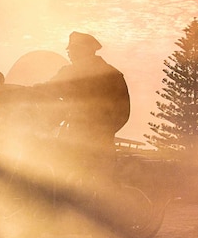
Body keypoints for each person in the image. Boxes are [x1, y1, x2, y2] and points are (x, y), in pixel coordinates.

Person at [34, 32, 130, 196]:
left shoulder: (108, 75)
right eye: (69, 50)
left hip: (91, 142)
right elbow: (44, 90)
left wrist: (100, 130)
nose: (69, 53)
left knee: (97, 189)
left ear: (84, 50)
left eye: (72, 49)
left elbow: (122, 111)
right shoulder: (108, 73)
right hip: (84, 138)